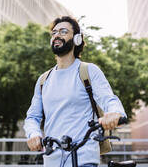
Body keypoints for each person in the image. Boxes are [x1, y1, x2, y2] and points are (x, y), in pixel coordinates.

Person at [24, 16, 126, 167]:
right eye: (54, 33)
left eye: (63, 31)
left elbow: (109, 99)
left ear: (77, 39)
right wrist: (33, 134)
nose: (57, 35)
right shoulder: (43, 80)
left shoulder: (88, 71)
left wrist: (115, 113)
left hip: (84, 159)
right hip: (51, 160)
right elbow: (32, 117)